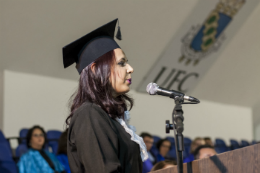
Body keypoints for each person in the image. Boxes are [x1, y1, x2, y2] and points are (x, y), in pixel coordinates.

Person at [63, 19, 148, 173]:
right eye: (122, 63)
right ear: (95, 69)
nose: (130, 69)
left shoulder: (111, 119)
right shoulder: (89, 114)